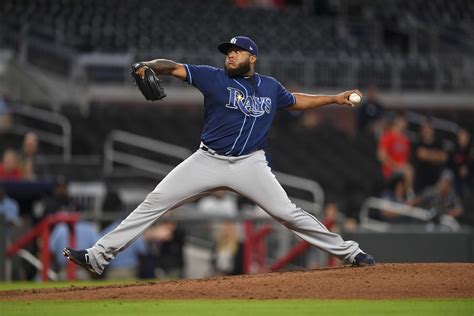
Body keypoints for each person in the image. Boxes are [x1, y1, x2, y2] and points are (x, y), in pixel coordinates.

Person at [63, 35, 374, 275]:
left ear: (252, 57)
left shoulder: (270, 87)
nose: (230, 55)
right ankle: (97, 256)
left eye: (236, 51)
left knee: (287, 213)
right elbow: (173, 67)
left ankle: (350, 253)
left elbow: (296, 102)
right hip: (207, 160)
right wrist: (148, 65)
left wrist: (334, 98)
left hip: (249, 163)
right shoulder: (213, 77)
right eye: (228, 52)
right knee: (154, 202)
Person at [377, 113, 413, 190]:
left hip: (401, 171)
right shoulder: (388, 137)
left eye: (404, 121)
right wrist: (396, 167)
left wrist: (402, 167)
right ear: (396, 122)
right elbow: (381, 156)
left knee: (409, 170)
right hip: (390, 171)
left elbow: (405, 159)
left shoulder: (405, 139)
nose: (404, 123)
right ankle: (408, 195)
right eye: (401, 120)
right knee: (408, 171)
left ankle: (404, 195)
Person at [412, 121, 447, 193]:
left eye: (428, 128)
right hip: (421, 183)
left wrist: (429, 155)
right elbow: (422, 155)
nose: (426, 130)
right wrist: (436, 156)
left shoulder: (438, 143)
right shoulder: (418, 142)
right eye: (424, 128)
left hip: (435, 182)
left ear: (432, 130)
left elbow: (443, 157)